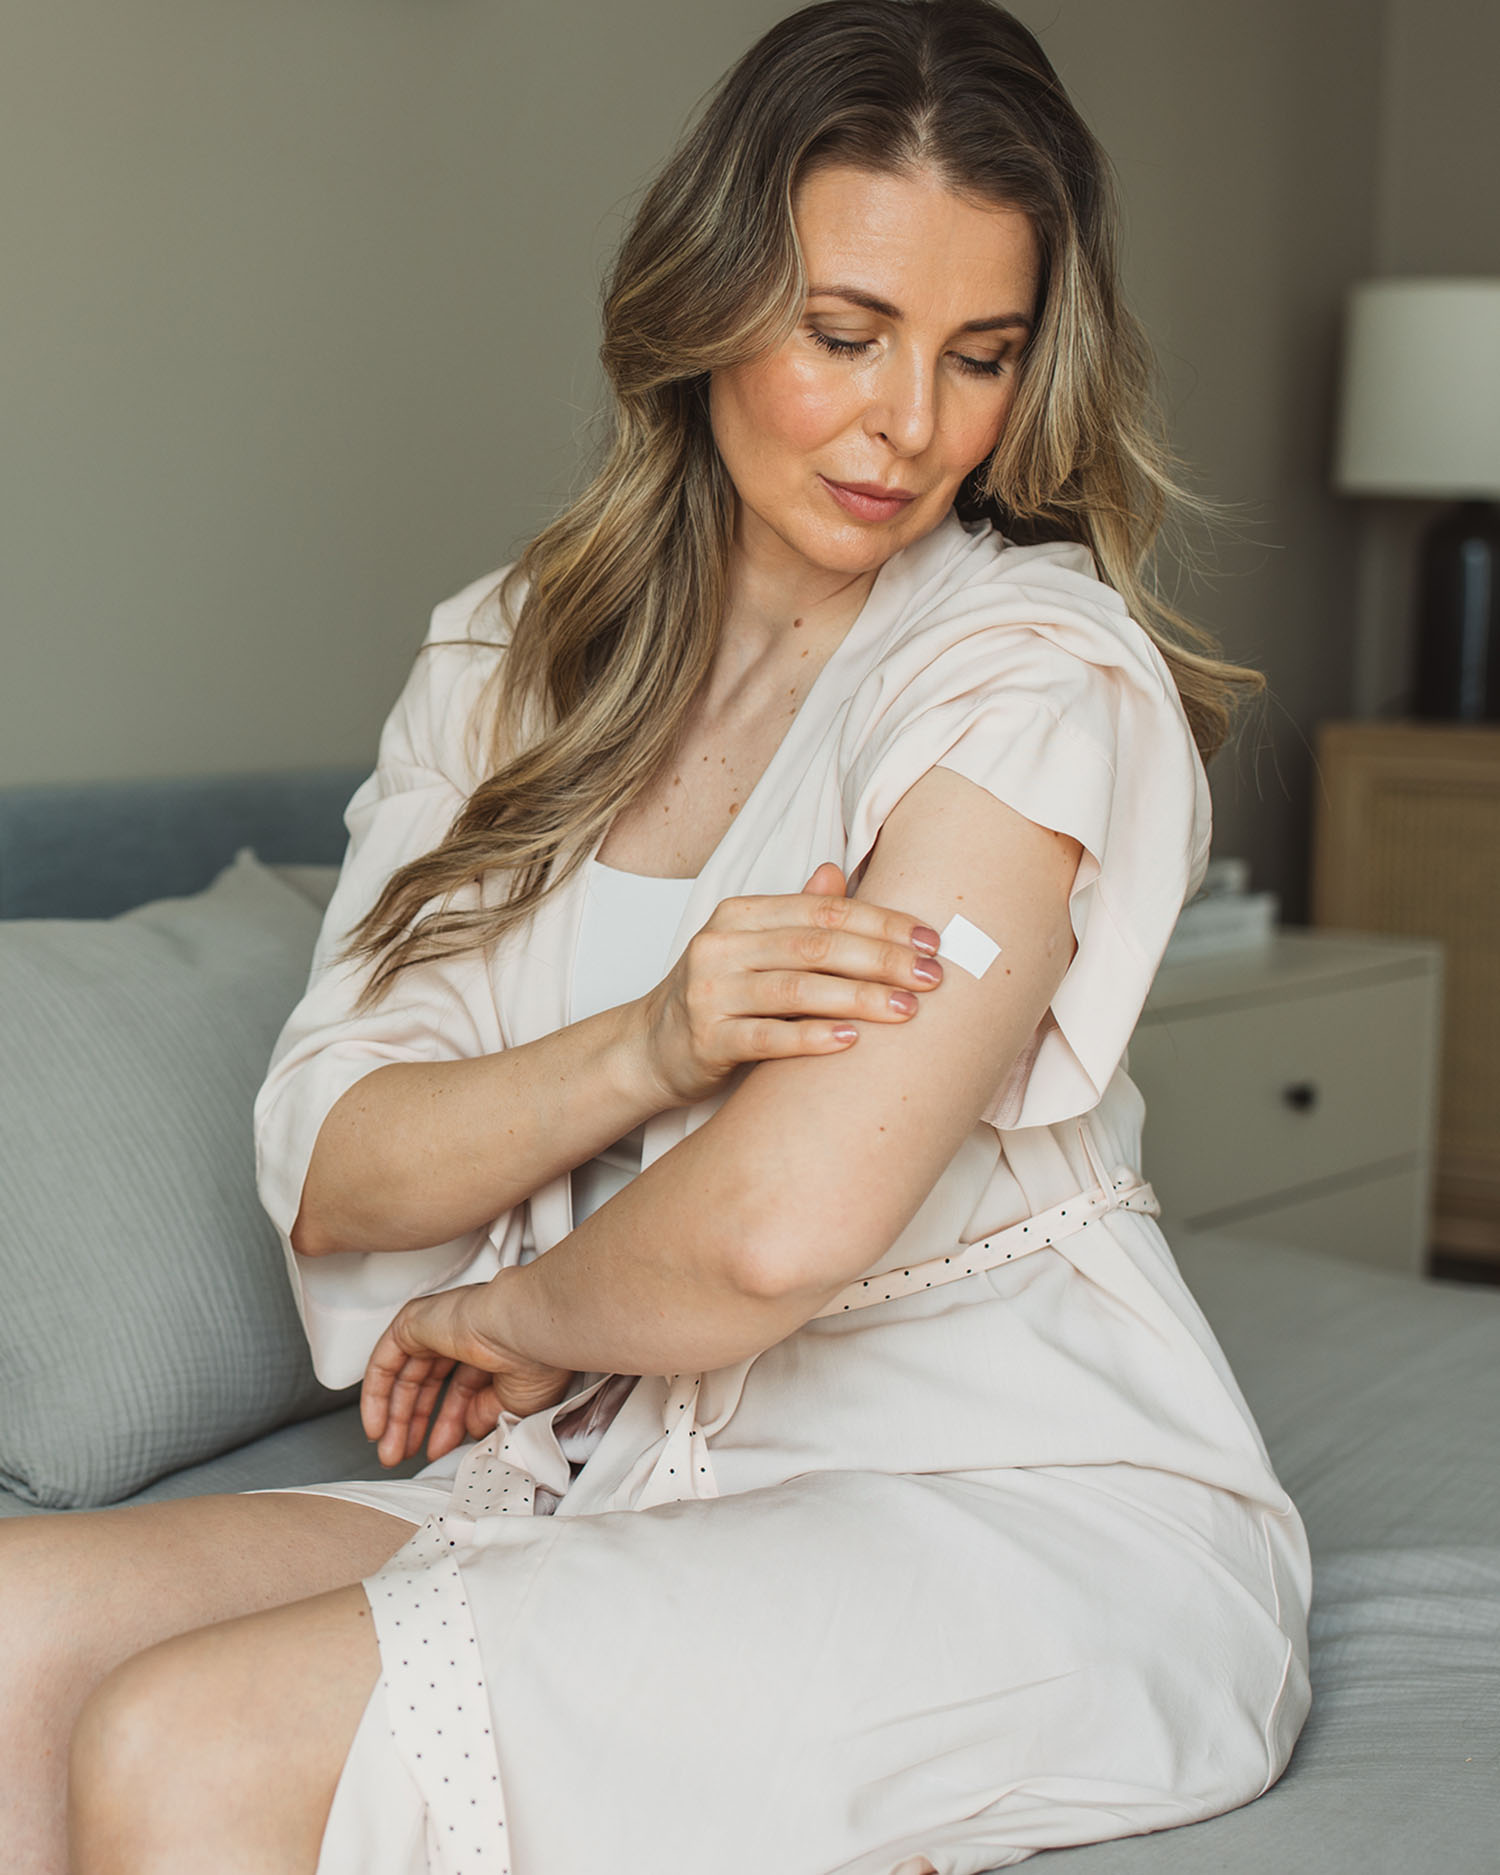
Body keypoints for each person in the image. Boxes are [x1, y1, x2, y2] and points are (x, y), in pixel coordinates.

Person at [1, 2, 1312, 1870]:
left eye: (981, 357)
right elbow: (336, 1164)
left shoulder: (1029, 674)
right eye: (844, 336)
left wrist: (511, 1315)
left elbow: (784, 1223)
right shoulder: (505, 661)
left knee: (189, 1748)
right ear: (703, 306)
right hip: (605, 1471)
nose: (910, 426)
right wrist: (659, 1040)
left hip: (998, 1496)